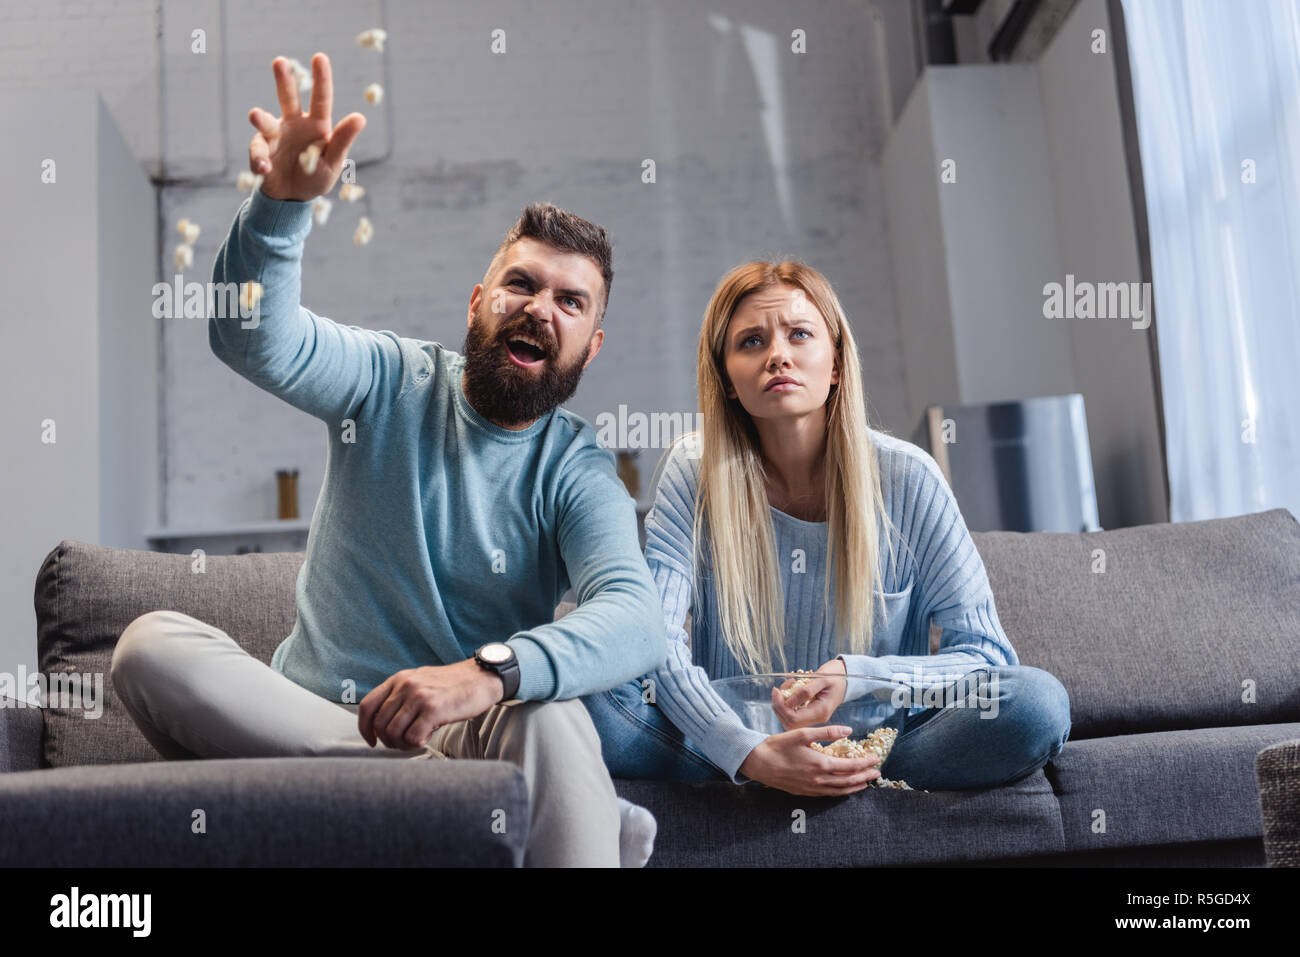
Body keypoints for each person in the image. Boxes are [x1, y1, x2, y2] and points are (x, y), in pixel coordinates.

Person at [111, 52, 666, 867]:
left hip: (468, 728)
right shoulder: (388, 380)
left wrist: (482, 675)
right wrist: (281, 207)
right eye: (521, 284)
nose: (540, 309)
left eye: (569, 301)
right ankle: (440, 790)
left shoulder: (576, 470)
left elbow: (636, 617)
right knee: (150, 646)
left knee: (548, 716)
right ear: (479, 304)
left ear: (591, 345)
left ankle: (417, 782)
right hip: (308, 709)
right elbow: (252, 337)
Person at [581, 260, 1072, 796]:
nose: (778, 355)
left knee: (1034, 703)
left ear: (835, 362)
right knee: (584, 689)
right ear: (726, 379)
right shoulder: (692, 470)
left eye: (799, 334)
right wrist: (746, 752)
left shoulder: (909, 478)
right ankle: (768, 777)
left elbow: (986, 658)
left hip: (881, 745)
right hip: (731, 748)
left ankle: (842, 777)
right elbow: (654, 640)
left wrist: (855, 675)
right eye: (750, 341)